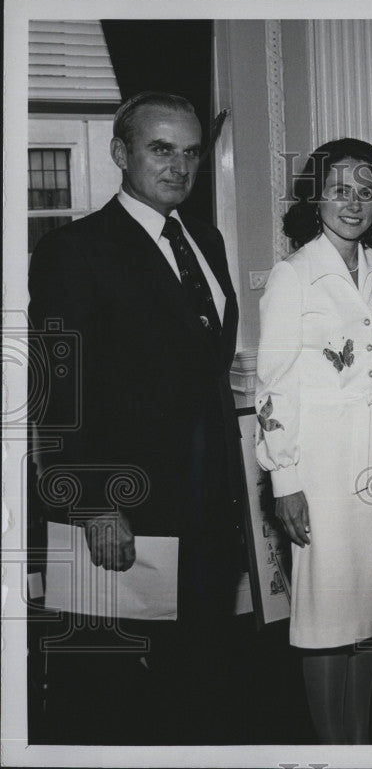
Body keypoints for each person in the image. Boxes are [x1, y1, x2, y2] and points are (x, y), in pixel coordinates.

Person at [28, 91, 245, 743]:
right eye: (160, 149)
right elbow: (56, 393)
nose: (178, 167)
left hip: (206, 504)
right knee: (107, 691)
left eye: (190, 152)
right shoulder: (75, 248)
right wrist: (92, 500)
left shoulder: (203, 238)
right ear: (121, 152)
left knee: (195, 678)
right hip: (124, 508)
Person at [255, 138, 372, 744]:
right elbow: (273, 387)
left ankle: (362, 742)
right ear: (314, 197)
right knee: (329, 613)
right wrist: (285, 481)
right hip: (320, 464)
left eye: (366, 190)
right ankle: (334, 748)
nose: (352, 202)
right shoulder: (294, 274)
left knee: (371, 603)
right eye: (339, 189)